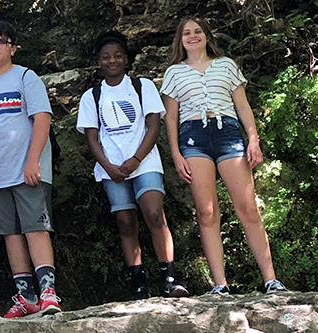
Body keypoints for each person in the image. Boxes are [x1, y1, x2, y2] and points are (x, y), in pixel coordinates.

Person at [161, 18, 287, 295]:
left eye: (198, 32)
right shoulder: (173, 73)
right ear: (179, 40)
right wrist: (176, 154)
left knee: (248, 207)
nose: (193, 37)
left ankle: (271, 280)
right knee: (206, 212)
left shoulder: (226, 65)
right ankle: (220, 285)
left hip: (227, 133)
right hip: (193, 137)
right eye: (187, 33)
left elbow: (242, 105)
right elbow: (170, 118)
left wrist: (253, 139)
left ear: (207, 35)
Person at [76, 31, 188, 300]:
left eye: (117, 56)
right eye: (106, 57)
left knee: (153, 213)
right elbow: (91, 137)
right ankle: (139, 287)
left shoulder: (142, 86)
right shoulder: (91, 96)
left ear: (126, 59)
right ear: (99, 62)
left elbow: (153, 124)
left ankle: (169, 281)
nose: (111, 61)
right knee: (125, 223)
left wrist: (136, 159)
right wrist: (109, 166)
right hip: (111, 168)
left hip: (145, 161)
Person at [0, 21, 61, 318]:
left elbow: (42, 119)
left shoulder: (26, 78)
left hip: (28, 169)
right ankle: (26, 295)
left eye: (1, 41)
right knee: (10, 233)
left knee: (36, 228)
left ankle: (48, 293)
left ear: (12, 48)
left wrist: (33, 160)